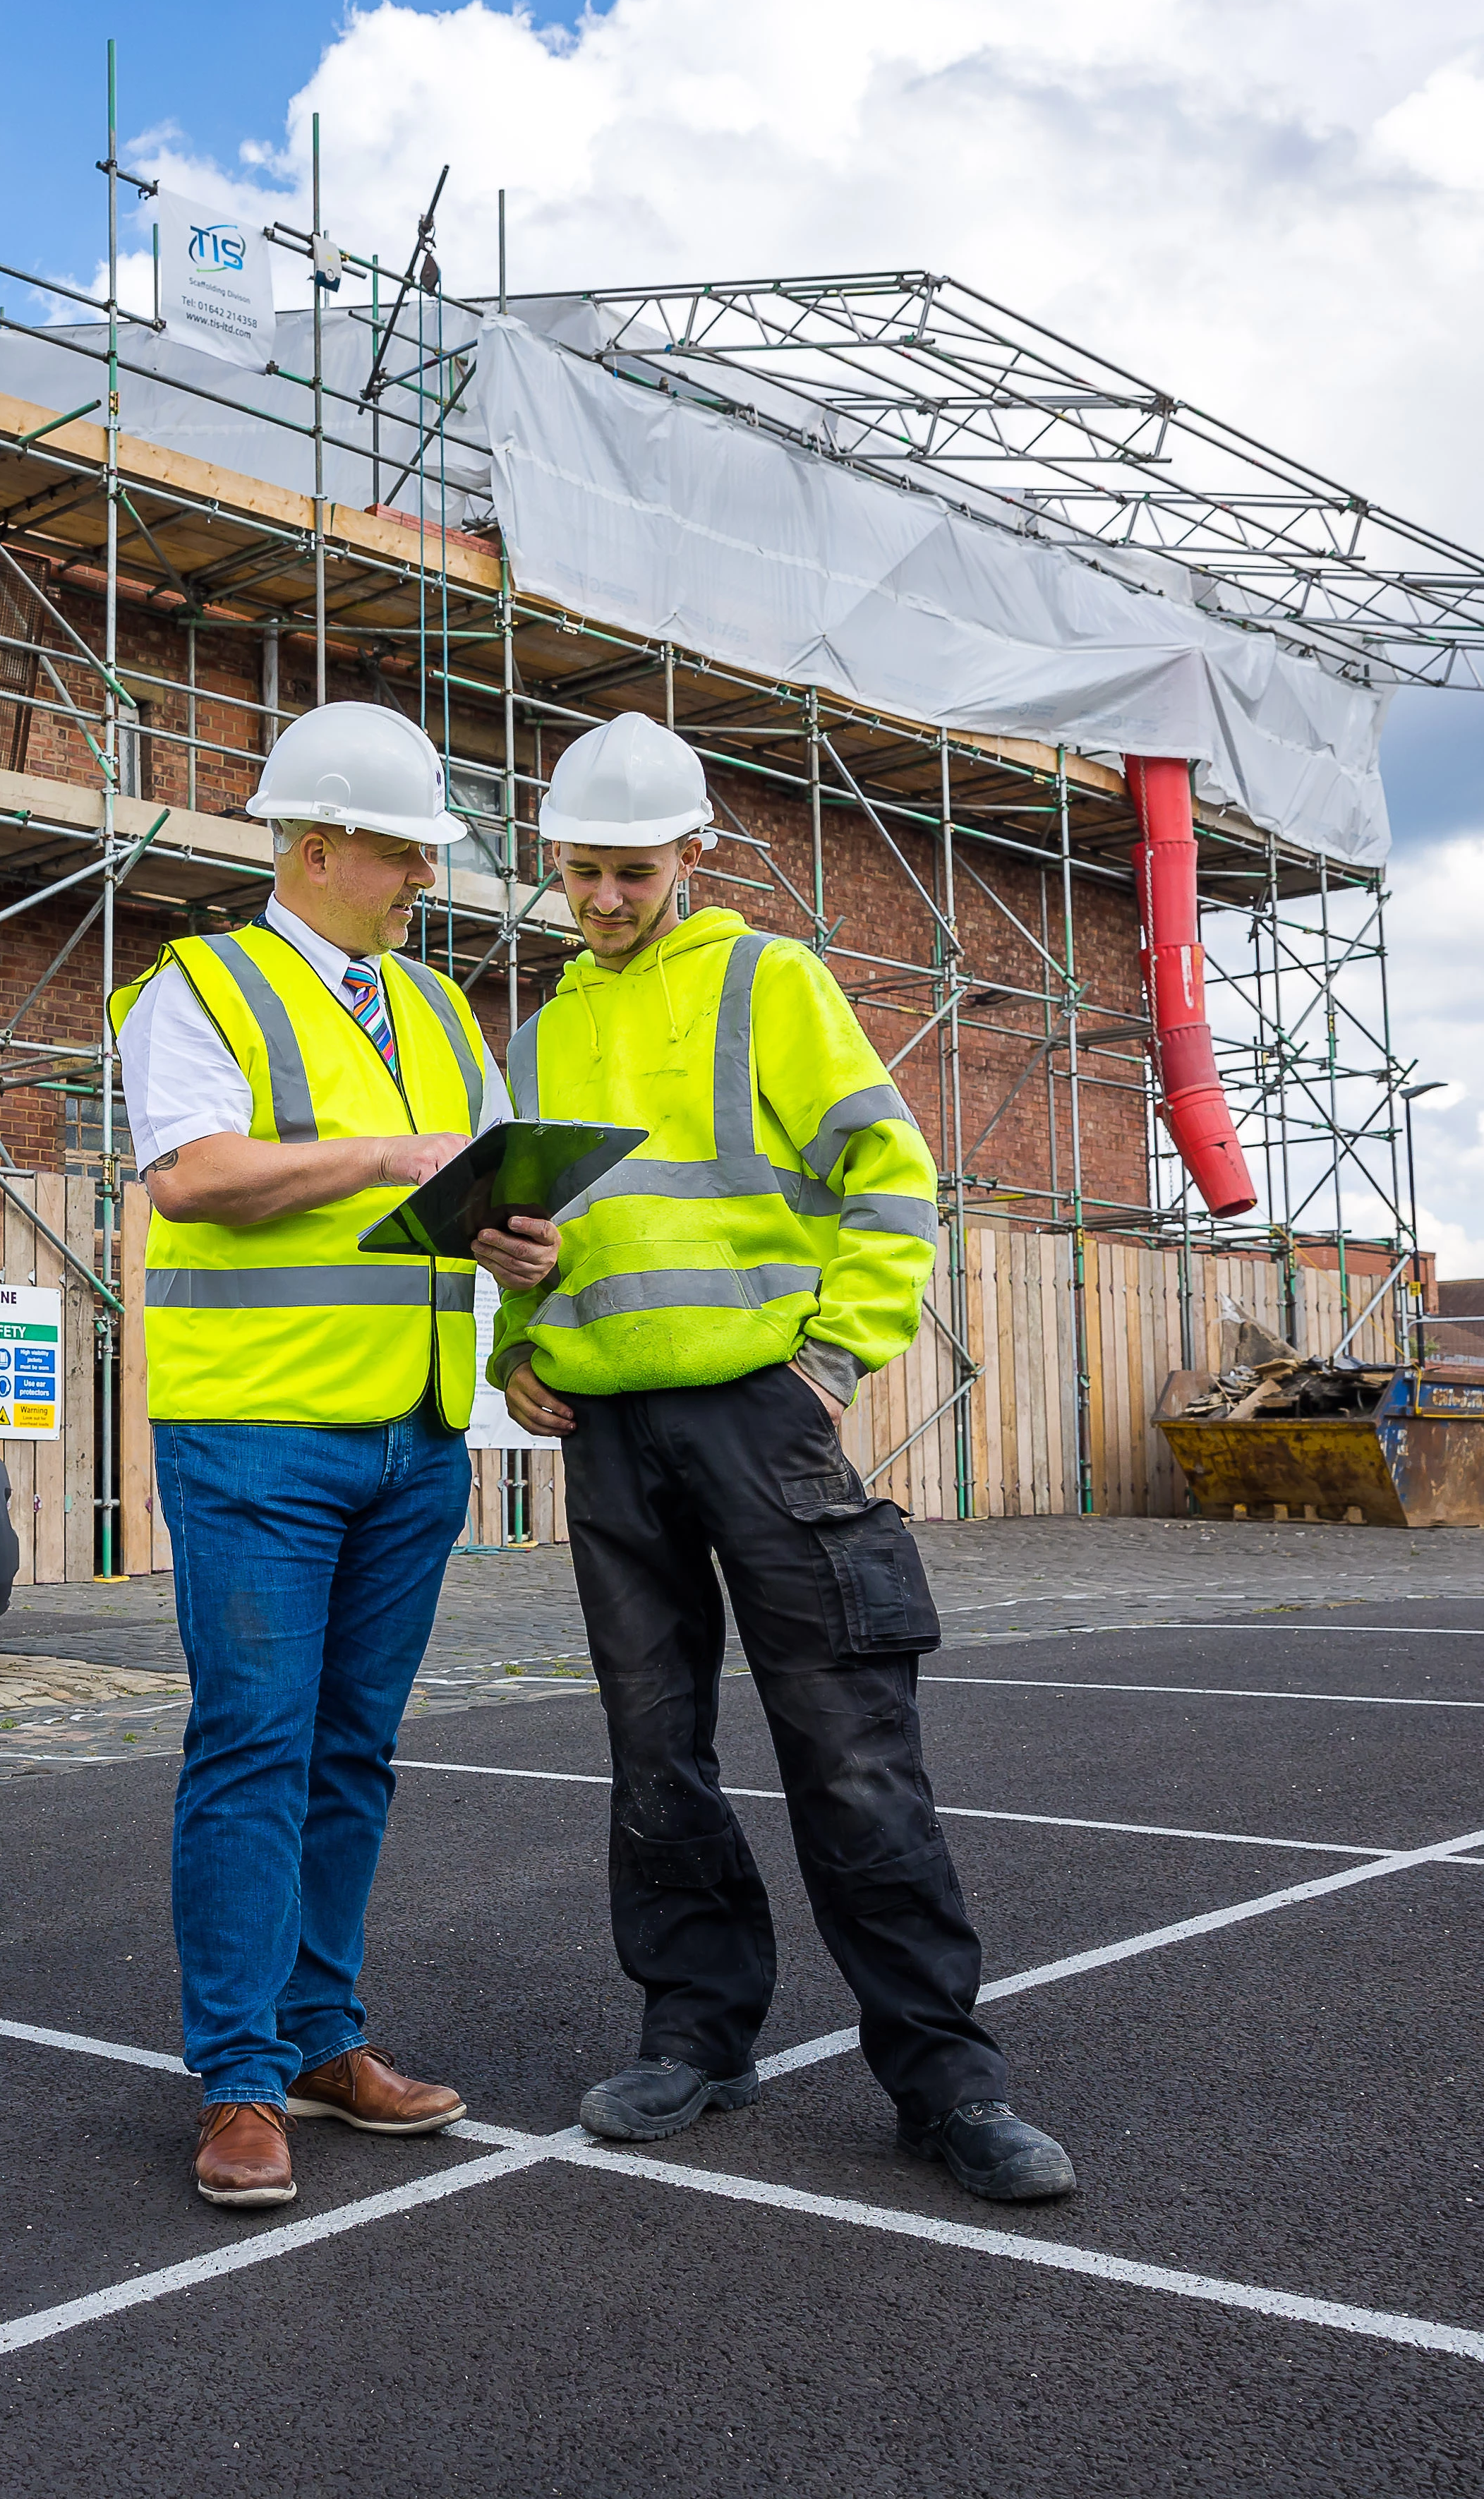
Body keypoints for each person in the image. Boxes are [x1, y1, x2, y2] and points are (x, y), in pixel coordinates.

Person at [492, 712, 1078, 2205]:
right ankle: (696, 2033)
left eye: (631, 872)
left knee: (852, 1749)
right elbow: (528, 1237)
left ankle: (948, 2081)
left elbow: (890, 1172)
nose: (605, 899)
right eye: (581, 873)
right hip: (612, 1432)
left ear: (693, 855)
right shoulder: (544, 1026)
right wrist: (516, 1340)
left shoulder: (770, 979)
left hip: (763, 1417)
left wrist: (829, 1360)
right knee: (654, 1750)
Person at [110, 698, 562, 2211]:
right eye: (405, 854)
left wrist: (524, 1248)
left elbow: (479, 1181)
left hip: (414, 1436)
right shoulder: (200, 990)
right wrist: (381, 1156)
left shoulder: (439, 1016)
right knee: (254, 1745)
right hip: (255, 1435)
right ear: (316, 848)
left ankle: (320, 2040)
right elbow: (193, 1177)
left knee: (354, 1753)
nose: (425, 879)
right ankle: (237, 2081)